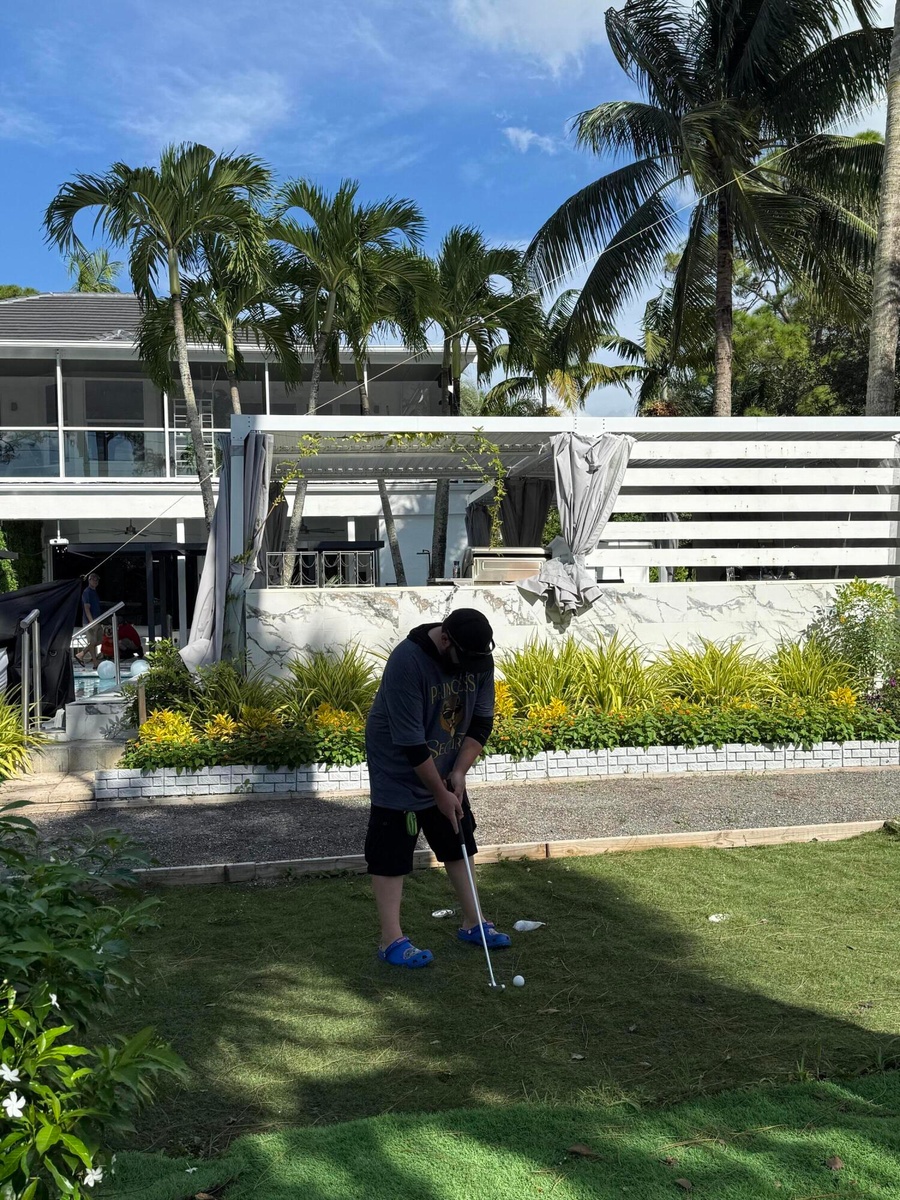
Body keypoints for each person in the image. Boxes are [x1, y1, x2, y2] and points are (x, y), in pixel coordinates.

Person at [364, 608, 511, 968]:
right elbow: (412, 745)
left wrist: (459, 772)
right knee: (391, 852)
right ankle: (391, 940)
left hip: (445, 762)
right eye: (465, 661)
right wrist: (438, 793)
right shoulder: (407, 662)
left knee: (457, 836)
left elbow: (481, 722)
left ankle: (474, 922)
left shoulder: (477, 656)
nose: (471, 670)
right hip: (398, 768)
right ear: (445, 640)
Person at [78, 572, 103, 667]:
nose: (96, 581)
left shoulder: (94, 592)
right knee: (92, 641)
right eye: (94, 579)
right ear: (89, 580)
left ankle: (81, 654)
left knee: (99, 640)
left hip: (97, 620)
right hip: (90, 621)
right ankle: (95, 662)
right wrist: (92, 622)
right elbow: (86, 608)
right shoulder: (87, 592)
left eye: (97, 580)